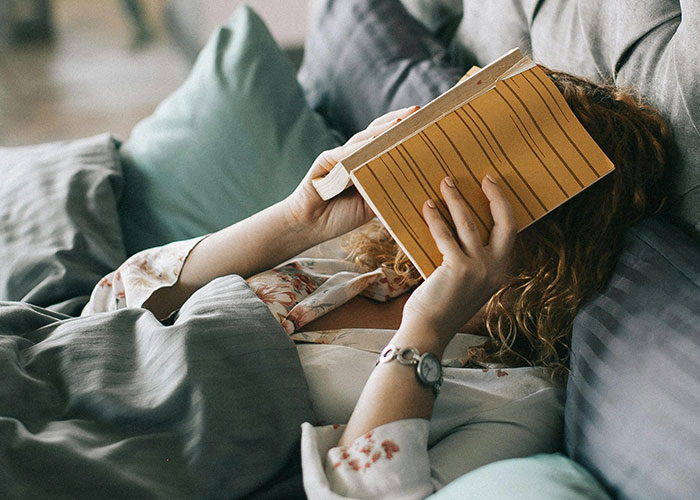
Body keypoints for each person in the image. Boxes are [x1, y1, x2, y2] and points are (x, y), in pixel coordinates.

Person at [81, 64, 670, 498]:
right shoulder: (362, 264)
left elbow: (367, 495)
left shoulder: (518, 402)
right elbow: (114, 300)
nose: (442, 186)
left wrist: (427, 329)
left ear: (557, 236)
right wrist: (294, 222)